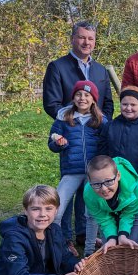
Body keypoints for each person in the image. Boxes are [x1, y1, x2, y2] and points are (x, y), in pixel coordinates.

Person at [42, 22, 114, 246]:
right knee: (68, 193)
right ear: (73, 38)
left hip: (93, 139)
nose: (86, 43)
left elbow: (108, 103)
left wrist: (96, 120)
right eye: (82, 38)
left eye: (90, 39)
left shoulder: (101, 70)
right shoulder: (58, 67)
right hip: (71, 140)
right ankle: (64, 237)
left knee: (90, 192)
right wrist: (71, 121)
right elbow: (51, 103)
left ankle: (85, 234)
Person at [48, 80, 106, 256]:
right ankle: (62, 240)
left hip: (92, 174)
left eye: (87, 95)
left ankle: (85, 238)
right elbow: (51, 143)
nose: (82, 98)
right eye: (79, 94)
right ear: (73, 97)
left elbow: (105, 144)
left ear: (93, 99)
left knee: (89, 208)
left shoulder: (100, 121)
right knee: (60, 206)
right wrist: (59, 144)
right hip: (71, 171)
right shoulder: (64, 118)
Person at [100, 87, 138, 238]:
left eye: (133, 105)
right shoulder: (111, 126)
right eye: (124, 104)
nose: (128, 108)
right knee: (119, 207)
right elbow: (103, 149)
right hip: (116, 178)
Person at [84, 155, 138, 255]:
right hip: (106, 211)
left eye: (108, 181)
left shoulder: (132, 185)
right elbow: (103, 219)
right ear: (89, 182)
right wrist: (112, 238)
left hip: (132, 211)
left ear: (118, 176)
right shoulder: (89, 195)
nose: (104, 189)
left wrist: (122, 235)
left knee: (131, 245)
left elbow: (129, 214)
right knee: (109, 247)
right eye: (96, 184)